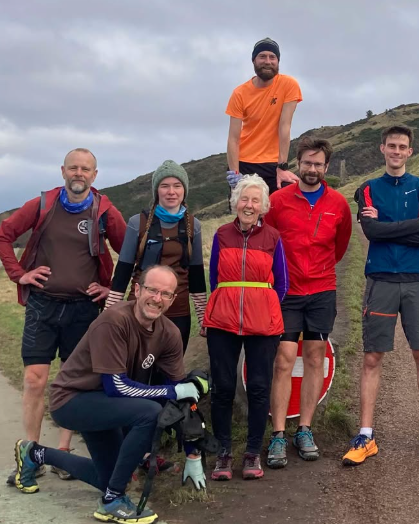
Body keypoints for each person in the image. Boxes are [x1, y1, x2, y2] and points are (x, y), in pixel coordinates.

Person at [11, 265, 210, 524]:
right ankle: (112, 502)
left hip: (108, 405)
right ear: (137, 290)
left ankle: (33, 454)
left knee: (112, 477)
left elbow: (180, 401)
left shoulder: (170, 333)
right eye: (152, 290)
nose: (157, 298)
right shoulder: (113, 320)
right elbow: (117, 386)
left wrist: (193, 453)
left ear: (173, 299)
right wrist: (172, 390)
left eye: (166, 294)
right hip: (72, 400)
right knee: (150, 412)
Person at [0, 148, 126, 482]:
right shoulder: (43, 204)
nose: (79, 174)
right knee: (34, 379)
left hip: (83, 309)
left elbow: (130, 252)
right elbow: (2, 236)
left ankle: (62, 453)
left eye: (85, 169)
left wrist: (112, 289)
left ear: (95, 175)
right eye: (73, 168)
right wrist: (19, 274)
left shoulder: (104, 211)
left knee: (72, 383)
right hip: (43, 305)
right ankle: (31, 455)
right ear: (63, 171)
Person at [343, 124, 419, 466]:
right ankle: (366, 435)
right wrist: (414, 225)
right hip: (380, 280)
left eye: (402, 147)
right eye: (391, 145)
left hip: (415, 279)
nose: (397, 151)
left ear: (410, 151)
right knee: (372, 357)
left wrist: (387, 228)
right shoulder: (368, 188)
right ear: (382, 148)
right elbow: (371, 232)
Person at [263, 137, 352, 468]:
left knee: (315, 357)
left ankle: (304, 429)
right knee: (283, 360)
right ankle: (277, 434)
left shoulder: (338, 204)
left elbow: (340, 246)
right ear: (297, 164)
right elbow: (268, 243)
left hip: (322, 291)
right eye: (307, 163)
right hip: (286, 292)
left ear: (326, 167)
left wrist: (319, 270)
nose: (312, 169)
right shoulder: (277, 201)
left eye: (318, 164)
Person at [204, 174, 288, 481]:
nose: (249, 205)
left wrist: (263, 307)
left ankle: (253, 452)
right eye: (244, 199)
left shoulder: (273, 237)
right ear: (235, 203)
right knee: (223, 388)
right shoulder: (221, 235)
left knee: (259, 387)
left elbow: (282, 283)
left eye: (255, 200)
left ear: (264, 206)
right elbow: (214, 279)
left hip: (262, 324)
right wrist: (223, 306)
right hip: (223, 323)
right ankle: (223, 453)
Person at [107, 160, 207, 353]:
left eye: (177, 186)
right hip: (140, 310)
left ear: (184, 190)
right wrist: (109, 314)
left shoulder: (193, 225)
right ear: (156, 191)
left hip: (178, 311)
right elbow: (122, 272)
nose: (171, 192)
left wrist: (203, 317)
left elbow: (196, 275)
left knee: (172, 366)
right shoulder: (137, 223)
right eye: (165, 186)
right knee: (135, 365)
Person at [225, 37, 303, 195]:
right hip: (245, 162)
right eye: (262, 56)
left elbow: (284, 126)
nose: (267, 61)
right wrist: (235, 173)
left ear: (278, 61)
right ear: (254, 60)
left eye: (272, 57)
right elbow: (233, 138)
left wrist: (282, 167)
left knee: (286, 200)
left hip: (274, 163)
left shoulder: (289, 85)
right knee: (246, 207)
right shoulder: (239, 93)